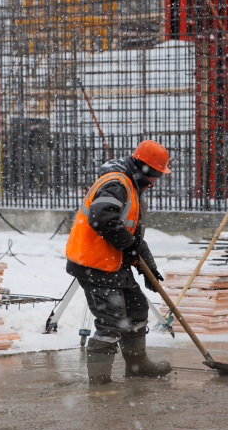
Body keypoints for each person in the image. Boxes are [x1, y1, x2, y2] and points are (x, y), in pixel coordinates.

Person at [65, 140, 173, 385]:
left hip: (111, 262)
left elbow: (132, 236)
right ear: (143, 168)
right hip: (93, 263)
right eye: (155, 174)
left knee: (136, 308)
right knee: (111, 321)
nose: (155, 181)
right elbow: (102, 218)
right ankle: (100, 382)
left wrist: (149, 269)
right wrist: (130, 246)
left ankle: (138, 366)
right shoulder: (117, 184)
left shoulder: (131, 186)